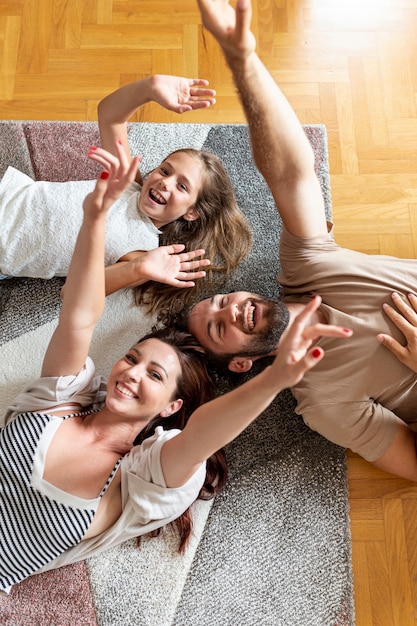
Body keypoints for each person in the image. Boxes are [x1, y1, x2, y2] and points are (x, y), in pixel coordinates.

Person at [0, 138, 349, 593]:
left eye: (155, 376)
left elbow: (201, 435)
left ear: (171, 408)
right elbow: (78, 314)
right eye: (132, 359)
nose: (131, 372)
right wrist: (95, 216)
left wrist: (276, 381)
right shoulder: (62, 399)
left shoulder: (141, 479)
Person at [180, 0, 417, 483]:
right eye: (222, 328)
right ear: (244, 361)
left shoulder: (306, 272)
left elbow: (289, 172)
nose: (232, 309)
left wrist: (243, 61)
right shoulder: (323, 403)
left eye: (222, 300)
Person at [0, 74, 253, 314]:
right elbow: (110, 115)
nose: (165, 183)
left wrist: (139, 268)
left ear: (192, 212)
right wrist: (149, 88)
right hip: (7, 194)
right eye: (165, 171)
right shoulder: (128, 181)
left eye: (182, 186)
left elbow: (73, 294)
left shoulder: (141, 253)